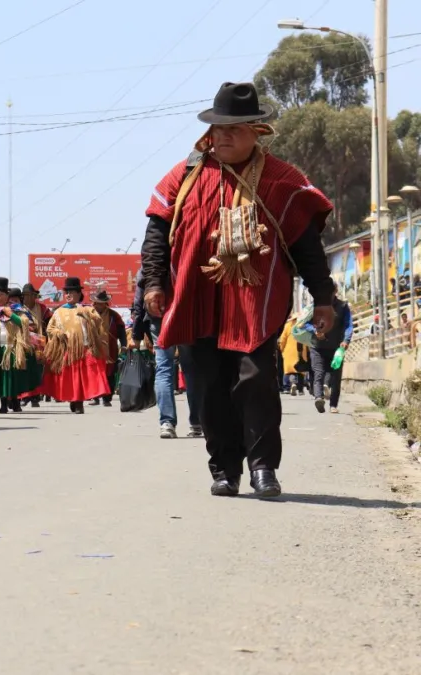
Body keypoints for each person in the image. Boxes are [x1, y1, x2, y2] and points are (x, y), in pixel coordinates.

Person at [141, 81, 335, 499]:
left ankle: (263, 468)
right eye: (218, 129)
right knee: (210, 387)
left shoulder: (283, 181)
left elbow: (306, 245)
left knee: (256, 381)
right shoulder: (185, 176)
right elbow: (157, 231)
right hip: (196, 300)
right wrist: (155, 282)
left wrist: (323, 297)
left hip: (255, 304)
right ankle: (224, 469)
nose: (224, 136)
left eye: (235, 128)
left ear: (256, 132)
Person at [131, 267, 200, 439]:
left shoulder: (149, 267)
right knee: (191, 371)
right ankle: (197, 423)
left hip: (159, 319)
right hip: (186, 318)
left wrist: (136, 334)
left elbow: (139, 301)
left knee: (164, 370)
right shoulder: (185, 260)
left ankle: (167, 423)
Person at [42, 277, 111, 413]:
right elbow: (49, 329)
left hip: (84, 348)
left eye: (72, 292)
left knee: (82, 377)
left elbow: (98, 322)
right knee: (70, 378)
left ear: (79, 294)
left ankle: (79, 402)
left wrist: (89, 317)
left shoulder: (87, 309)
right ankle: (73, 399)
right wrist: (58, 333)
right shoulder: (58, 311)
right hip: (66, 349)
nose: (68, 295)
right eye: (66, 292)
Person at [0, 284, 42, 413]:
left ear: (7, 296)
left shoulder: (16, 309)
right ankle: (3, 404)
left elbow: (25, 323)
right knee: (0, 377)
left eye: (1, 295)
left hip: (13, 347)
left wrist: (10, 315)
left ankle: (16, 402)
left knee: (13, 377)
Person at [307, 281, 352, 413]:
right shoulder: (315, 305)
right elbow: (303, 324)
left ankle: (333, 405)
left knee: (335, 376)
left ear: (335, 291)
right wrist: (314, 331)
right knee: (319, 373)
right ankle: (318, 398)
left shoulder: (343, 306)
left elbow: (348, 325)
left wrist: (346, 340)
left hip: (336, 348)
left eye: (330, 291)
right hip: (317, 347)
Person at [89, 287, 126, 407]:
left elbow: (121, 330)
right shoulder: (89, 314)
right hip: (92, 348)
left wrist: (124, 344)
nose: (99, 306)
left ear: (106, 303)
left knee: (109, 374)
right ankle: (94, 397)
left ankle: (107, 398)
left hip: (110, 349)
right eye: (97, 303)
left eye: (101, 303)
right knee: (94, 373)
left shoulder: (114, 315)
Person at [278, 313, 310, 396]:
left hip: (289, 351)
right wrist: (308, 350)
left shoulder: (288, 326)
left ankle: (291, 384)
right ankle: (300, 390)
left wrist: (281, 349)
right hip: (301, 351)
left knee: (290, 370)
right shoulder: (303, 326)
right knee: (300, 371)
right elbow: (308, 338)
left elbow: (282, 339)